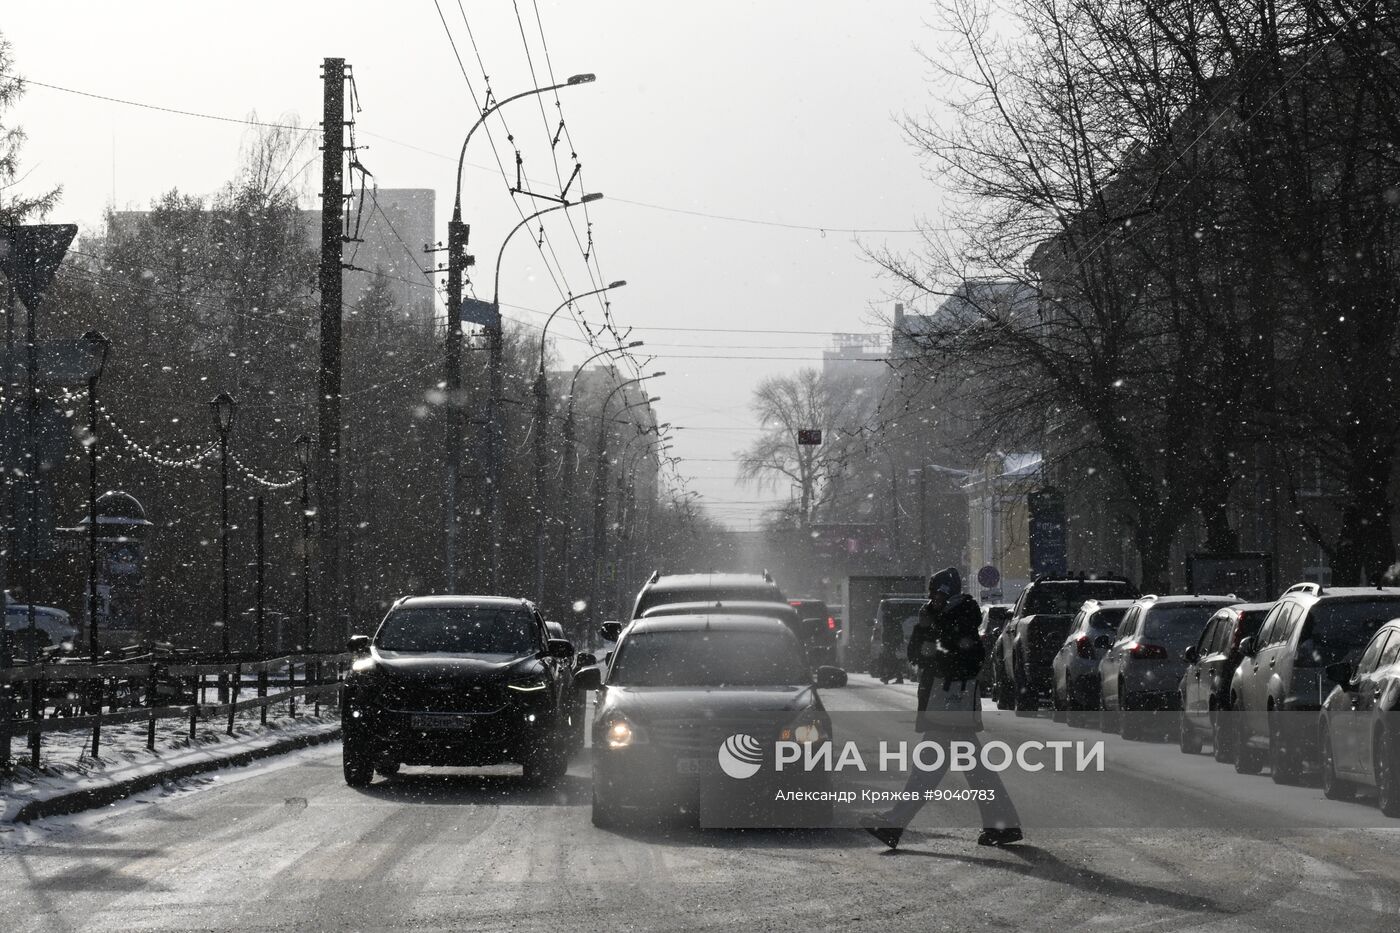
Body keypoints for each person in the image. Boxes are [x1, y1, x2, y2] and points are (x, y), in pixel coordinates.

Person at [863, 567, 1023, 850]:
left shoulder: (958, 619)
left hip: (948, 704)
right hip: (949, 705)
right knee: (975, 771)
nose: (930, 599)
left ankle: (894, 825)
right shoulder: (948, 618)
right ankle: (1003, 824)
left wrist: (930, 636)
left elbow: (951, 659)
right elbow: (917, 654)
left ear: (944, 593)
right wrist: (926, 628)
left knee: (928, 771)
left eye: (934, 593)